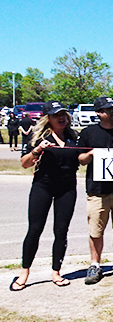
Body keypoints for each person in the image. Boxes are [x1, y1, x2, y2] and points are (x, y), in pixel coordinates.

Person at [10, 101, 81, 291]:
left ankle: (56, 272)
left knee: (61, 230)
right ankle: (24, 272)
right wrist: (37, 149)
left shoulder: (73, 137)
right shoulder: (39, 137)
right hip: (43, 186)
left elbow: (82, 159)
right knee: (35, 229)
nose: (61, 118)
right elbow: (25, 164)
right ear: (47, 118)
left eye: (64, 114)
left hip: (67, 188)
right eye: (56, 115)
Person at [77, 97, 113, 285]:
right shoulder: (88, 133)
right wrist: (91, 154)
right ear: (99, 113)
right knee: (96, 229)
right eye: (110, 111)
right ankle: (95, 264)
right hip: (97, 191)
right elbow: (80, 159)